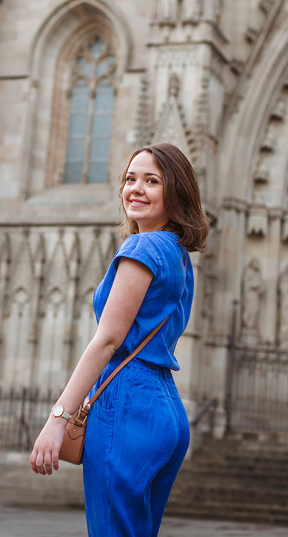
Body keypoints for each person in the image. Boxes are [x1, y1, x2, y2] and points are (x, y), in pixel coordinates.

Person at [30, 143, 210, 536]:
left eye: (152, 181)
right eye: (130, 179)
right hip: (165, 409)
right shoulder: (177, 253)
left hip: (128, 404)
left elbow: (107, 341)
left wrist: (57, 419)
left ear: (175, 191)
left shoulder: (143, 247)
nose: (136, 189)